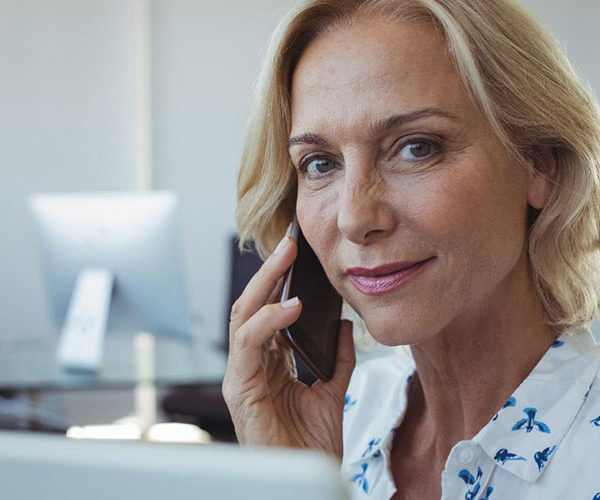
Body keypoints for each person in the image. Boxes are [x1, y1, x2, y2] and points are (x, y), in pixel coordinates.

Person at [221, 0, 600, 498]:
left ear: (540, 167)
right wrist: (291, 485)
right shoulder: (340, 420)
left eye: (416, 147)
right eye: (318, 164)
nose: (354, 217)